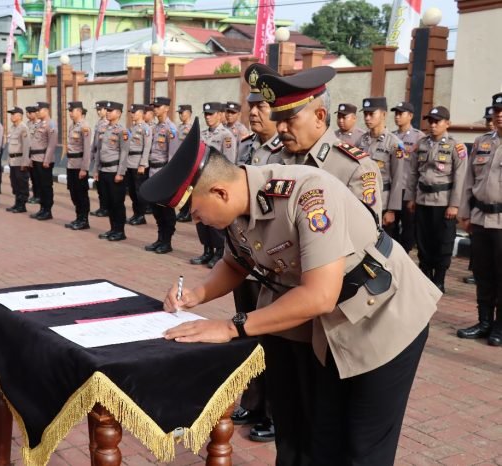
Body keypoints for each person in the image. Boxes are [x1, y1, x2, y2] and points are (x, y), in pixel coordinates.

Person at [139, 117, 441, 466]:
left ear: (219, 192)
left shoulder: (308, 194)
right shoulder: (238, 207)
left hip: (385, 317)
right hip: (332, 323)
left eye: (194, 212)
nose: (196, 221)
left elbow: (318, 296)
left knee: (362, 447)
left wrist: (230, 326)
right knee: (320, 437)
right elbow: (238, 263)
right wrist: (197, 295)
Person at [225, 65, 384, 464]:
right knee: (288, 423)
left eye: (288, 118)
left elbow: (357, 252)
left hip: (325, 324)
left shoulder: (353, 167)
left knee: (322, 426)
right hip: (277, 314)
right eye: (277, 118)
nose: (279, 128)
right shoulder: (268, 158)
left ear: (319, 116)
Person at [231, 64, 284, 443]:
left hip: (276, 264)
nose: (253, 112)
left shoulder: (289, 153)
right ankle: (253, 401)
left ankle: (277, 413)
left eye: (262, 106)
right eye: (250, 105)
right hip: (246, 259)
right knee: (248, 335)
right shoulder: (246, 146)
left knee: (275, 341)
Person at [405, 106, 468, 292]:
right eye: (430, 121)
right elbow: (412, 174)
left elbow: (460, 178)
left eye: (437, 121)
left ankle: (439, 279)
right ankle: (425, 276)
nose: (432, 125)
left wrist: (454, 205)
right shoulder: (422, 144)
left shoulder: (456, 146)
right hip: (423, 200)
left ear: (447, 123)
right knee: (423, 241)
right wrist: (411, 198)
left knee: (443, 242)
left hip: (443, 202)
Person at [457, 94, 502, 346]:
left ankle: (500, 326)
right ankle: (484, 322)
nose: (499, 114)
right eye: (496, 110)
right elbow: (468, 182)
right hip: (481, 219)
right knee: (483, 274)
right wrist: (465, 212)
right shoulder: (482, 142)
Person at [190, 102, 237, 268]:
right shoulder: (202, 134)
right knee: (201, 217)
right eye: (206, 114)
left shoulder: (226, 136)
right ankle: (207, 250)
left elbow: (229, 162)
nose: (208, 117)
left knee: (214, 218)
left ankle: (218, 252)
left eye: (211, 114)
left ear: (220, 115)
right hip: (200, 181)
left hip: (215, 182)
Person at [357, 97, 406, 236]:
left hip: (382, 202)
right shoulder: (360, 141)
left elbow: (397, 178)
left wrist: (392, 210)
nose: (367, 118)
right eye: (365, 114)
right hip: (361, 200)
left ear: (383, 114)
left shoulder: (395, 144)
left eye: (371, 114)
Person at [144, 96, 179, 254]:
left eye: (158, 106)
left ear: (166, 108)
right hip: (153, 172)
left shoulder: (171, 129)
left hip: (163, 173)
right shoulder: (155, 127)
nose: (155, 109)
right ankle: (160, 238)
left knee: (166, 209)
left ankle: (167, 241)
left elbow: (172, 157)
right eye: (154, 107)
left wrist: (169, 178)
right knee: (156, 209)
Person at [391, 101, 425, 253]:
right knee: (390, 225)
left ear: (410, 116)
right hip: (394, 188)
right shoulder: (391, 136)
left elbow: (420, 166)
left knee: (408, 226)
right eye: (396, 114)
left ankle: (404, 255)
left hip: (408, 189)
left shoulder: (419, 137)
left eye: (401, 113)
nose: (397, 117)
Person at [93, 101, 130, 241]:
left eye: (111, 110)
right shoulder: (103, 129)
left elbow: (124, 152)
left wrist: (120, 173)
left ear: (118, 113)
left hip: (115, 171)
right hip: (103, 170)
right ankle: (112, 228)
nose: (107, 112)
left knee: (117, 202)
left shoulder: (122, 130)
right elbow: (98, 152)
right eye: (107, 110)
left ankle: (120, 231)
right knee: (108, 202)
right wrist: (96, 169)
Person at [64, 101, 92, 230]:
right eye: (69, 111)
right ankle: (78, 217)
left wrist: (84, 168)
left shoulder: (84, 126)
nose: (70, 113)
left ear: (79, 111)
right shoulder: (72, 126)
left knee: (81, 194)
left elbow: (87, 149)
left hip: (79, 165)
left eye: (72, 111)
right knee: (73, 192)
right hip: (71, 165)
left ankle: (84, 220)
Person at [29, 102, 58, 221]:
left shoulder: (51, 124)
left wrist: (47, 159)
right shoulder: (39, 124)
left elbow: (52, 144)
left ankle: (47, 210)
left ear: (46, 110)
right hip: (35, 158)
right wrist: (31, 158)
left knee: (46, 186)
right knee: (39, 186)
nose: (37, 112)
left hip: (44, 159)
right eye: (36, 110)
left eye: (39, 110)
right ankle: (42, 209)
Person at [125, 104, 152, 226]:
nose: (132, 114)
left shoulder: (145, 128)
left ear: (141, 113)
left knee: (139, 191)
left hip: (138, 164)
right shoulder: (132, 128)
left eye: (134, 112)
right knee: (131, 191)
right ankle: (136, 214)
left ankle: (141, 216)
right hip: (129, 163)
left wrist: (142, 164)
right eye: (131, 112)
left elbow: (147, 148)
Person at [5, 107, 31, 213]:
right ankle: (17, 203)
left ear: (20, 116)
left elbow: (26, 146)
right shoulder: (12, 128)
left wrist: (25, 162)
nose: (11, 116)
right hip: (13, 160)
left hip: (20, 160)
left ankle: (22, 205)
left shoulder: (23, 128)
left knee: (22, 183)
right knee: (14, 183)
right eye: (11, 114)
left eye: (13, 114)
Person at [91, 100, 110, 217]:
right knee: (99, 185)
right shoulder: (98, 123)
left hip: (105, 156)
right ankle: (102, 207)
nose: (98, 112)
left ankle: (106, 208)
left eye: (100, 109)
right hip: (98, 156)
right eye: (97, 110)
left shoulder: (108, 123)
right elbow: (95, 141)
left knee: (105, 187)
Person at [176, 104, 194, 222]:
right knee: (181, 188)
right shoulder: (178, 127)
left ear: (189, 113)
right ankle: (183, 210)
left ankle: (188, 212)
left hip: (188, 161)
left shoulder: (192, 128)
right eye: (179, 113)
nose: (180, 115)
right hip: (179, 161)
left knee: (189, 189)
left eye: (182, 113)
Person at [25, 105, 41, 205]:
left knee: (37, 176)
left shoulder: (40, 124)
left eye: (30, 113)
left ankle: (38, 196)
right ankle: (35, 195)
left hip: (37, 153)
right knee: (32, 176)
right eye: (27, 113)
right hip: (28, 152)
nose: (28, 115)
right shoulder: (28, 124)